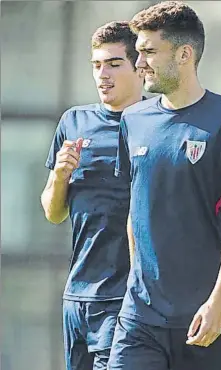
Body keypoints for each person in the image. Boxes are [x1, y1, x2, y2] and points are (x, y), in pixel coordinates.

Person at [107, 2, 221, 369]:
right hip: (140, 320)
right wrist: (138, 285)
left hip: (210, 318)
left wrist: (219, 302)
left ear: (184, 54)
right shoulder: (133, 120)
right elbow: (137, 211)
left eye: (149, 51)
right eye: (138, 51)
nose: (139, 62)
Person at [41, 21, 144, 370]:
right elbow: (54, 213)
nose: (103, 74)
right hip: (76, 297)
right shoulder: (73, 122)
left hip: (125, 298)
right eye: (97, 65)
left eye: (114, 64)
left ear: (139, 67)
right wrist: (59, 175)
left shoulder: (157, 124)